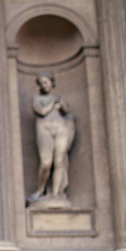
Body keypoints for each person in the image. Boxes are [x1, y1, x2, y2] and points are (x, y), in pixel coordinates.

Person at [27, 71, 76, 204]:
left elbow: (67, 112)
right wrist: (53, 103)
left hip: (61, 129)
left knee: (60, 161)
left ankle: (56, 194)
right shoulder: (36, 99)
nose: (44, 85)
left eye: (46, 82)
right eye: (42, 83)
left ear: (52, 82)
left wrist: (61, 103)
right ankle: (41, 190)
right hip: (45, 130)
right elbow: (41, 111)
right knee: (46, 162)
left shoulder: (58, 98)